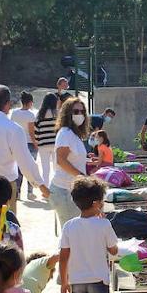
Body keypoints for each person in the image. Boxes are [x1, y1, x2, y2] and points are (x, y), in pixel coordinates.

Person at [49, 97, 93, 228]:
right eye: (76, 111)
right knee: (70, 236)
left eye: (82, 111)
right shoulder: (65, 133)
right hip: (64, 191)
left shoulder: (74, 134)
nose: (80, 115)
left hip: (71, 190)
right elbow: (61, 160)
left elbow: (72, 157)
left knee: (73, 234)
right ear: (67, 113)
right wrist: (82, 177)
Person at [9, 91, 41, 200]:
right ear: (30, 102)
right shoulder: (31, 115)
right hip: (29, 143)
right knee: (30, 167)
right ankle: (29, 192)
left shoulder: (14, 113)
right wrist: (36, 143)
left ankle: (17, 192)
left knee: (18, 169)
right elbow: (31, 132)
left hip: (17, 143)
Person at [34, 92, 60, 187]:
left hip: (43, 144)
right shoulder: (57, 114)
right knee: (56, 167)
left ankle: (46, 187)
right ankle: (55, 186)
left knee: (45, 168)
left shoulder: (39, 114)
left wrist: (37, 141)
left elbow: (36, 130)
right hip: (55, 144)